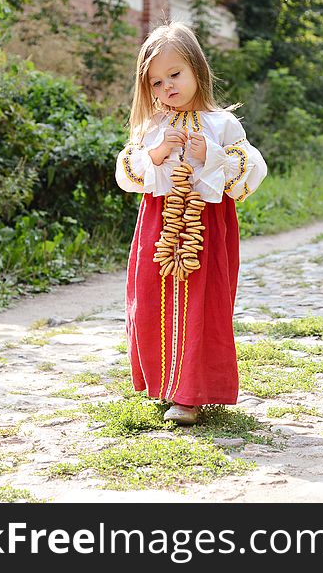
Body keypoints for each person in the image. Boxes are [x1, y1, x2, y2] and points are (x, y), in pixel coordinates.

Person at [114, 22, 267, 425]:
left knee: (202, 303)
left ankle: (191, 393)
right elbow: (127, 174)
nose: (167, 87)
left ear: (197, 69)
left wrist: (213, 156)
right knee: (151, 300)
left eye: (175, 75)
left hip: (207, 228)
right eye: (157, 82)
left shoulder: (222, 125)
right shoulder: (152, 129)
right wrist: (159, 153)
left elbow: (250, 171)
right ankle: (163, 383)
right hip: (159, 228)